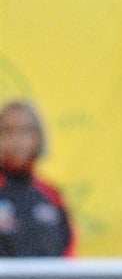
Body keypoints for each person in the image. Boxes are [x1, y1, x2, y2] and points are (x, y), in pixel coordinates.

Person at [0, 100, 75, 257]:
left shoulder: (51, 195)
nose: (18, 140)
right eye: (8, 131)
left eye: (25, 130)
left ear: (38, 137)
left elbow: (69, 252)